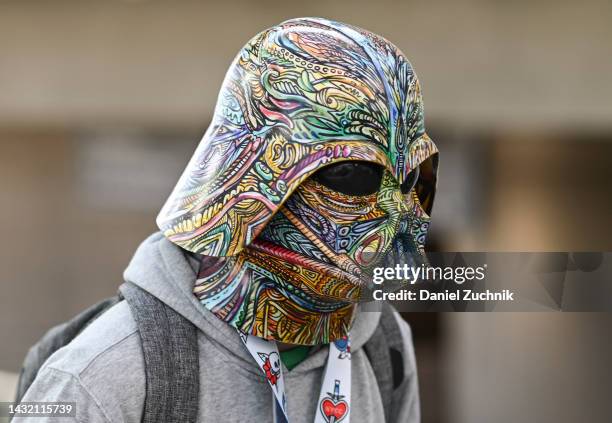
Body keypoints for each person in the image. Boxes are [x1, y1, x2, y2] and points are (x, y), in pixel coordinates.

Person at [15, 17, 438, 423]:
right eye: (354, 173)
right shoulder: (103, 377)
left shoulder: (384, 343)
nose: (397, 210)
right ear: (256, 179)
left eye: (412, 177)